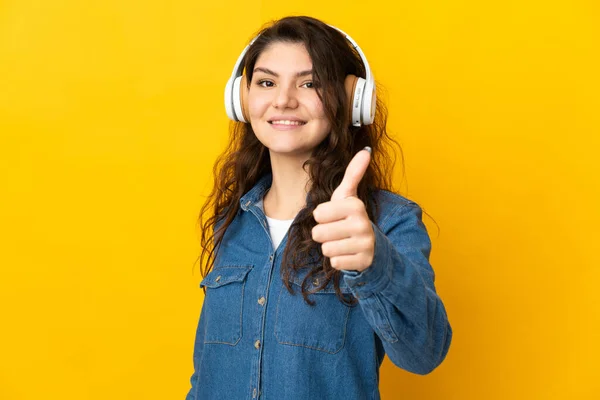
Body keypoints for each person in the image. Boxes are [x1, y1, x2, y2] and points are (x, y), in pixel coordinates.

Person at [186, 15, 452, 400]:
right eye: (266, 82)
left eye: (309, 83)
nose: (283, 100)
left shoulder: (389, 222)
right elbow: (204, 377)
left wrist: (374, 263)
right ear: (242, 100)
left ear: (350, 100)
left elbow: (425, 353)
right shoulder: (232, 223)